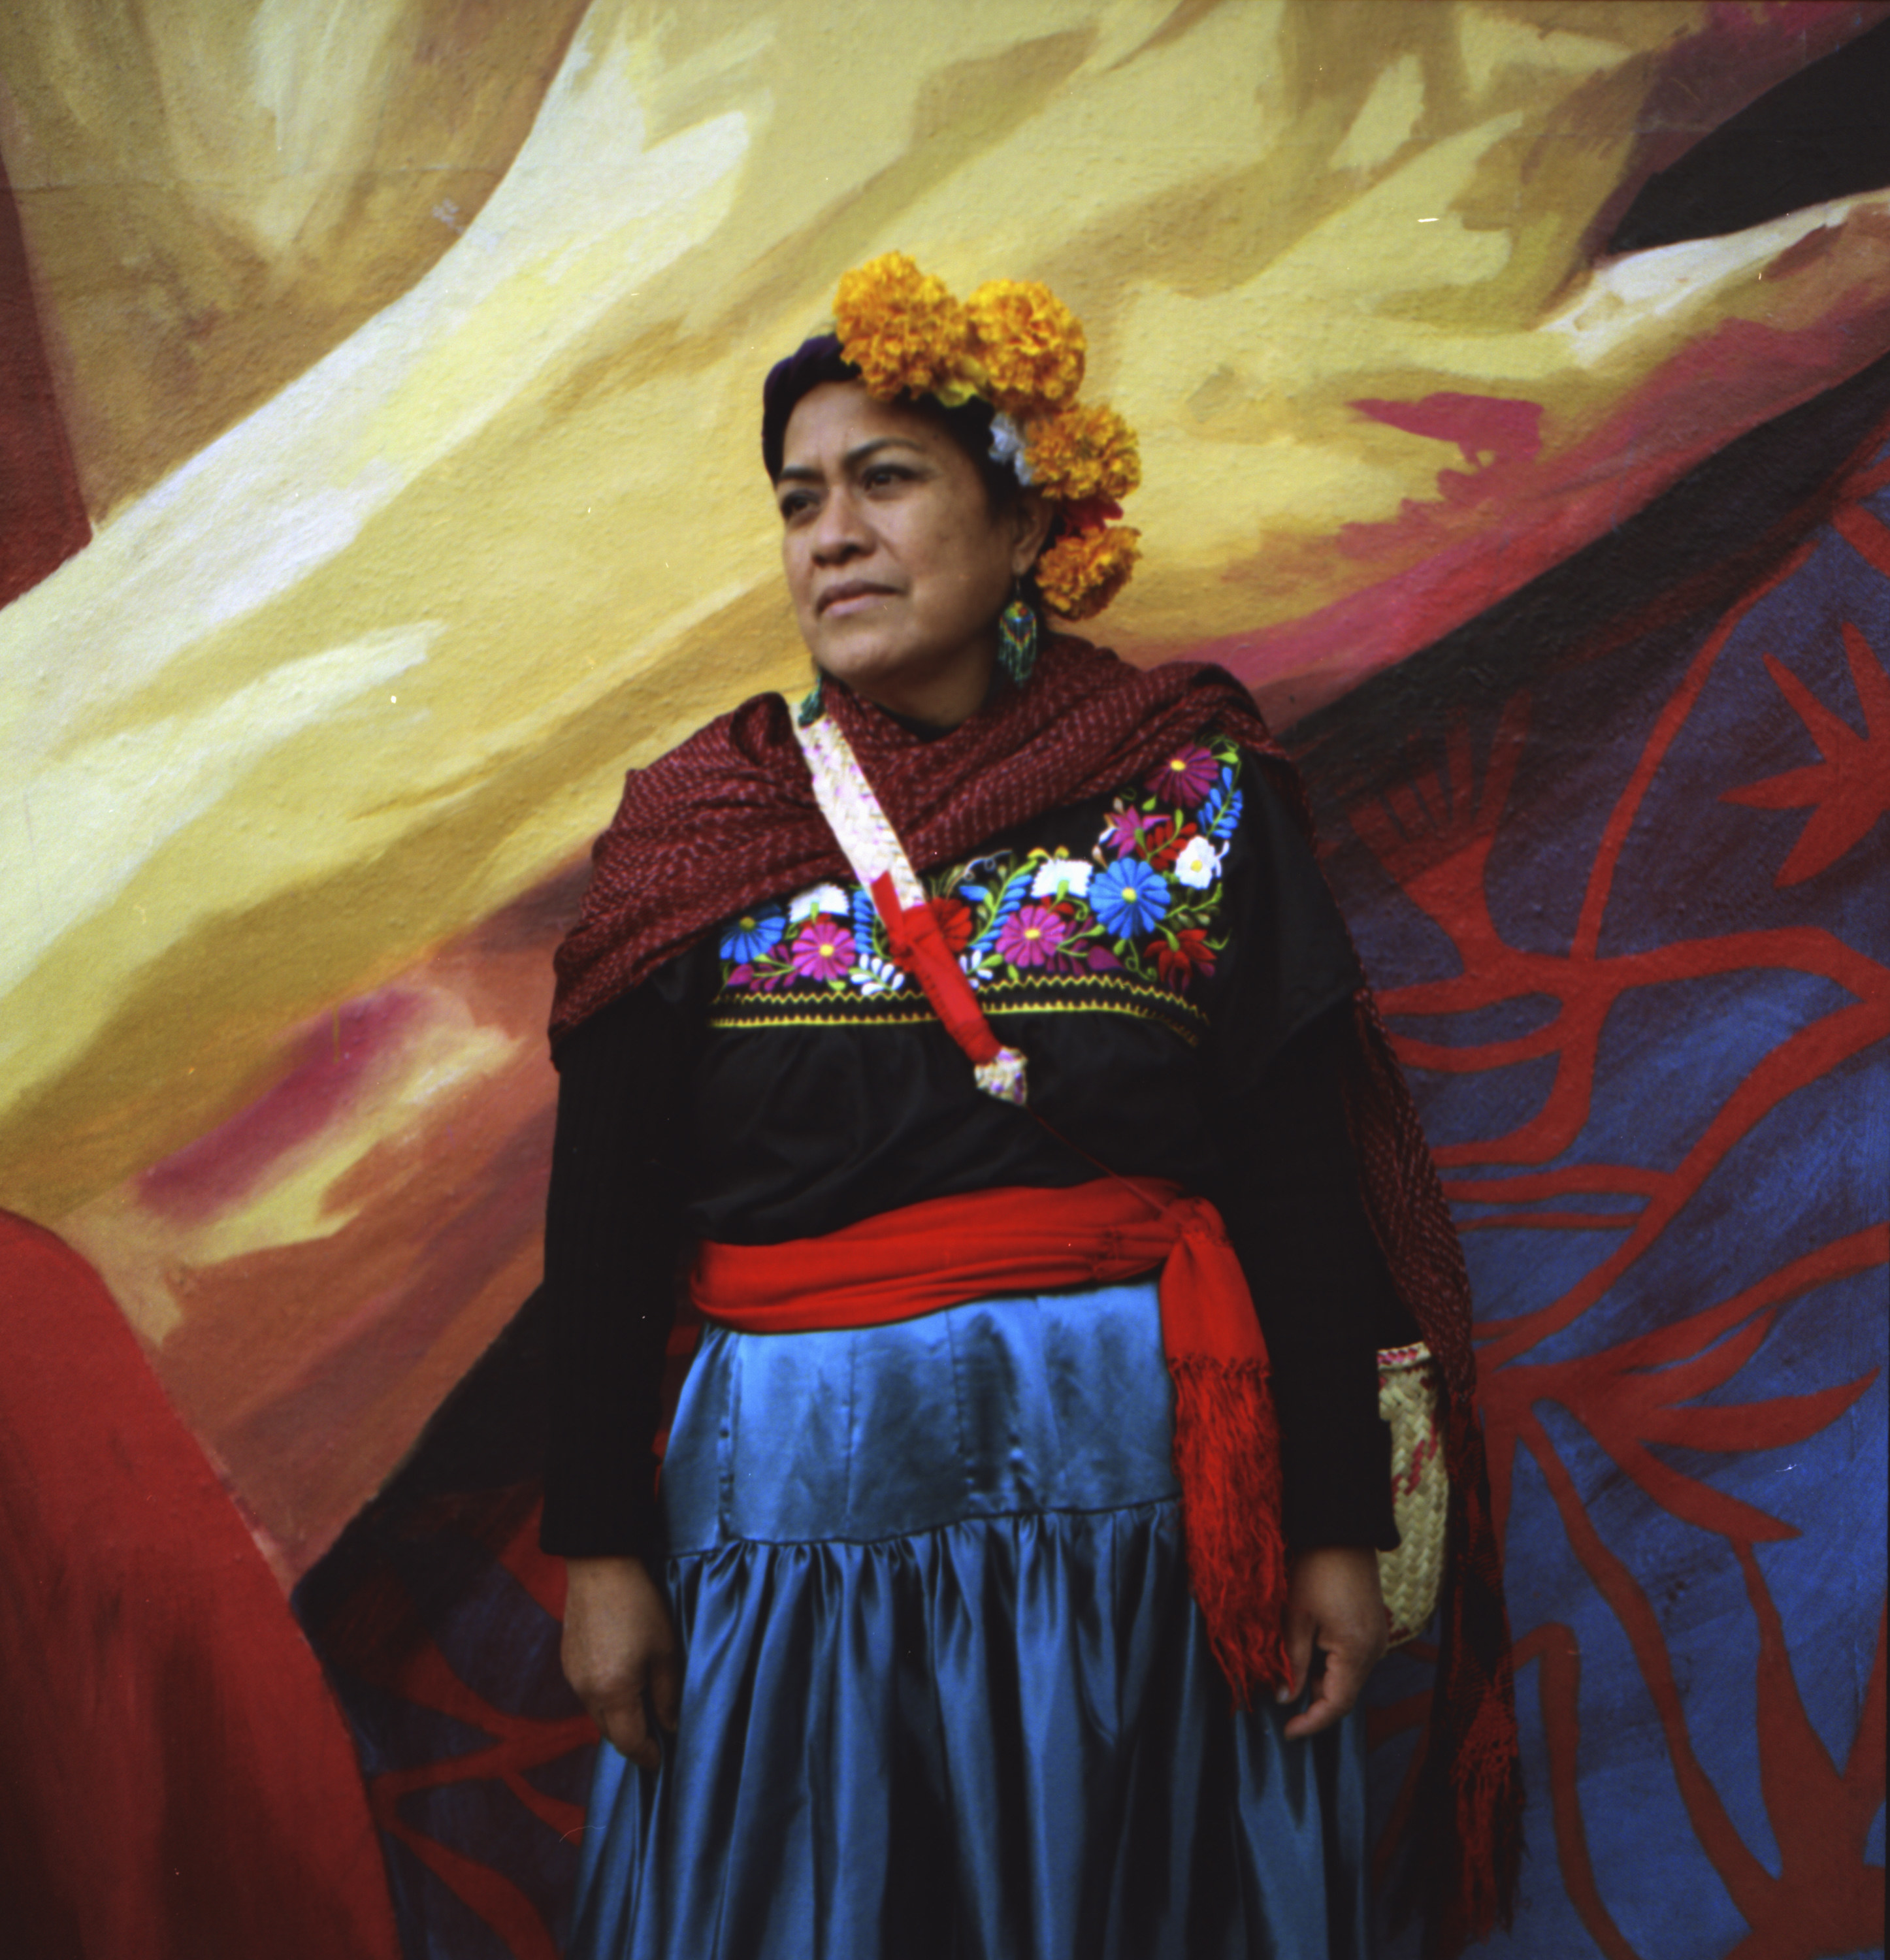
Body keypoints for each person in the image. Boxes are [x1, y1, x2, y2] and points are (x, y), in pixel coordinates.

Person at [540, 254, 1520, 1960]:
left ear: (1021, 527)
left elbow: (1294, 1183)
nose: (831, 532)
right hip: (792, 1544)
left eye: (886, 480)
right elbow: (604, 1222)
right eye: (798, 500)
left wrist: (1339, 1533)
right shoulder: (701, 829)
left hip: (1140, 1531)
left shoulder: (1190, 798)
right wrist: (606, 1556)